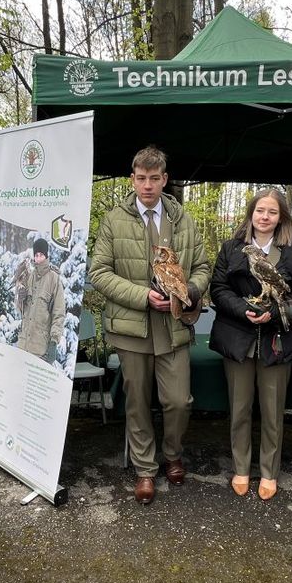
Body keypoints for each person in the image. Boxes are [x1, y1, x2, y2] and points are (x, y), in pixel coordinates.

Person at [89, 145, 210, 504]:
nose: (147, 185)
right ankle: (145, 469)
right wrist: (142, 296)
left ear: (165, 180)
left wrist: (188, 290)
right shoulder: (115, 219)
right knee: (137, 402)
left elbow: (203, 268)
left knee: (178, 400)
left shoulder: (182, 220)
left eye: (154, 178)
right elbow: (99, 273)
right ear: (132, 179)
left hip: (173, 327)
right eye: (141, 178)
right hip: (131, 327)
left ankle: (172, 454)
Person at [209, 188, 292, 500]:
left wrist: (279, 311)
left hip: (277, 339)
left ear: (281, 217)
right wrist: (245, 309)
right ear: (251, 214)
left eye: (272, 212)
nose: (265, 217)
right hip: (238, 338)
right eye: (260, 211)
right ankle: (241, 468)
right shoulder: (231, 248)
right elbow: (217, 288)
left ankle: (269, 472)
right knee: (240, 409)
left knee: (272, 412)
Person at [16, 237, 66, 363]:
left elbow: (59, 314)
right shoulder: (29, 276)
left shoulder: (54, 279)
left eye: (41, 255)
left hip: (40, 348)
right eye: (36, 255)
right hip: (24, 345)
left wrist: (54, 341)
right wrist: (20, 299)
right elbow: (22, 311)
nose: (38, 258)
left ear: (46, 255)